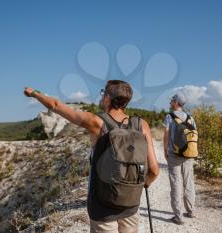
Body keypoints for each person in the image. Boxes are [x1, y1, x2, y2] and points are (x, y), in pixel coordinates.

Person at [24, 80, 159, 233]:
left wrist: (34, 93)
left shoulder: (96, 122)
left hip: (102, 207)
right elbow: (154, 170)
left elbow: (55, 105)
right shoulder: (142, 125)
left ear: (108, 98)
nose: (102, 97)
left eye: (103, 93)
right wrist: (135, 187)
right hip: (131, 206)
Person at [163, 93, 197, 225]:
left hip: (174, 155)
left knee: (176, 184)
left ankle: (179, 217)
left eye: (172, 100)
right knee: (189, 183)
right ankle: (191, 211)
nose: (171, 101)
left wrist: (165, 151)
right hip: (189, 155)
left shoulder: (169, 116)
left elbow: (166, 136)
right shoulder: (190, 118)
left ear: (176, 102)